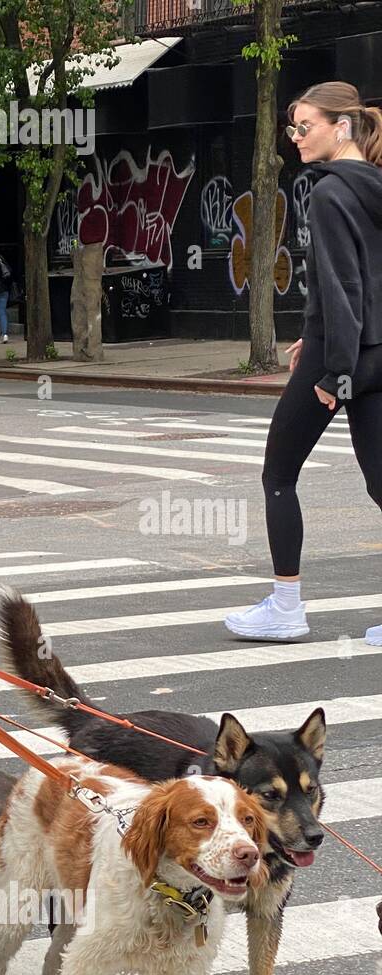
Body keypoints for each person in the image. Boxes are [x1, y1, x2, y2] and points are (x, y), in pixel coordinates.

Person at [225, 81, 382, 643]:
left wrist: (334, 370)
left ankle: (286, 606)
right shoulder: (375, 188)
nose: (295, 138)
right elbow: (368, 284)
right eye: (292, 128)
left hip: (340, 357)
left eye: (305, 126)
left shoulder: (329, 194)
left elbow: (342, 285)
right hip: (377, 352)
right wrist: (313, 336)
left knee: (278, 474)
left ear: (341, 126)